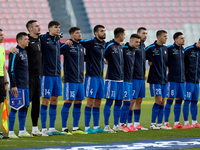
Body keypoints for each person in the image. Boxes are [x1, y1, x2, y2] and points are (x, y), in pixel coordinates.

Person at [66, 25, 108, 134]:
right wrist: (69, 41)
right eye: (101, 31)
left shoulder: (104, 44)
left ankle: (97, 126)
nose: (104, 33)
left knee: (98, 102)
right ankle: (86, 127)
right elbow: (77, 42)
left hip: (100, 77)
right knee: (90, 102)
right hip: (91, 77)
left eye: (104, 31)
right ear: (96, 33)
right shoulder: (90, 42)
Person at [60, 27, 87, 135]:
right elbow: (57, 50)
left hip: (80, 79)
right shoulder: (67, 46)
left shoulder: (80, 46)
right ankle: (64, 128)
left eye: (80, 32)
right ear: (71, 35)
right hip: (70, 79)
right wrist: (65, 42)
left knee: (78, 103)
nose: (79, 34)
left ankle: (75, 128)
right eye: (77, 33)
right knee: (68, 102)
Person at [40, 21, 64, 136]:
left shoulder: (58, 40)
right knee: (45, 100)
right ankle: (44, 129)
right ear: (49, 28)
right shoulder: (43, 39)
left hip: (57, 75)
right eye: (55, 27)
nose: (58, 29)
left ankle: (52, 128)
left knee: (55, 101)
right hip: (46, 75)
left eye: (59, 27)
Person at [8, 32, 33, 138]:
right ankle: (11, 132)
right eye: (26, 39)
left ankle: (22, 131)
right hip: (18, 86)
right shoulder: (15, 52)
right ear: (19, 41)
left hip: (26, 85)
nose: (28, 40)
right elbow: (11, 69)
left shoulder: (25, 51)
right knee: (14, 108)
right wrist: (13, 85)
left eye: (28, 39)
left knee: (24, 108)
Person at [145, 30, 171, 130]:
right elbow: (142, 57)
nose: (166, 38)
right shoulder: (150, 48)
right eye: (164, 36)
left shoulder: (166, 48)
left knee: (163, 101)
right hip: (155, 78)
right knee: (158, 100)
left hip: (164, 78)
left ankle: (160, 124)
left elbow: (167, 62)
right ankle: (152, 124)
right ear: (159, 37)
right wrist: (149, 61)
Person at [103, 27, 126, 133]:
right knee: (109, 102)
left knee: (118, 103)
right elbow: (100, 54)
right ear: (120, 35)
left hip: (120, 79)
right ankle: (106, 126)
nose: (124, 37)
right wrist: (104, 61)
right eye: (124, 35)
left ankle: (116, 125)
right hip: (111, 79)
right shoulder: (109, 45)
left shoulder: (120, 47)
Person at [164, 32, 187, 129]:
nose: (183, 40)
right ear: (176, 40)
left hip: (182, 80)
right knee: (169, 100)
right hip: (172, 79)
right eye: (181, 38)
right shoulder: (169, 48)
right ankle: (166, 123)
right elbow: (163, 59)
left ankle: (177, 122)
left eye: (184, 38)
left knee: (179, 101)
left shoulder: (182, 49)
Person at [128, 27, 148, 130]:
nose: (145, 35)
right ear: (138, 34)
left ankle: (136, 124)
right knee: (132, 101)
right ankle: (128, 123)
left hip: (141, 77)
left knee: (139, 100)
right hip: (134, 77)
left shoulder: (143, 46)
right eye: (143, 33)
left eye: (146, 33)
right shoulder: (132, 47)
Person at [119, 34, 141, 132]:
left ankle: (123, 124)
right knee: (126, 102)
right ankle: (121, 124)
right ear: (130, 41)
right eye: (136, 42)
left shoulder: (133, 51)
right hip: (123, 80)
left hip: (130, 80)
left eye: (139, 42)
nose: (138, 44)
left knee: (128, 103)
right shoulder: (123, 49)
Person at [183, 39, 200, 128]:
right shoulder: (188, 50)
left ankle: (194, 122)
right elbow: (180, 62)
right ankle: (186, 123)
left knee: (194, 101)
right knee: (187, 101)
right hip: (188, 80)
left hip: (197, 81)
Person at [0, 29, 9, 139]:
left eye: (3, 34)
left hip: (1, 79)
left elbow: (3, 67)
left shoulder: (2, 49)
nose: (2, 37)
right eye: (0, 35)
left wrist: (6, 82)